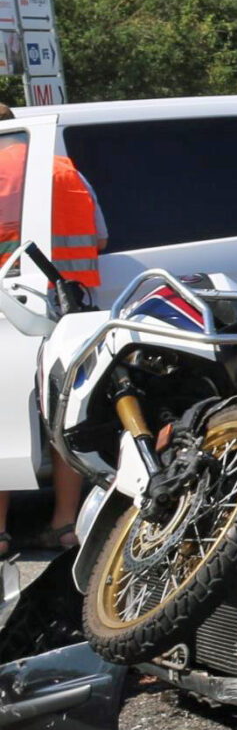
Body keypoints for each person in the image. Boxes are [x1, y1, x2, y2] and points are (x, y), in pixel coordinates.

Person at [0, 102, 107, 554]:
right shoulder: (64, 169)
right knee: (65, 418)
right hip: (73, 308)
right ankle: (65, 524)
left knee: (5, 420)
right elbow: (99, 238)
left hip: (12, 309)